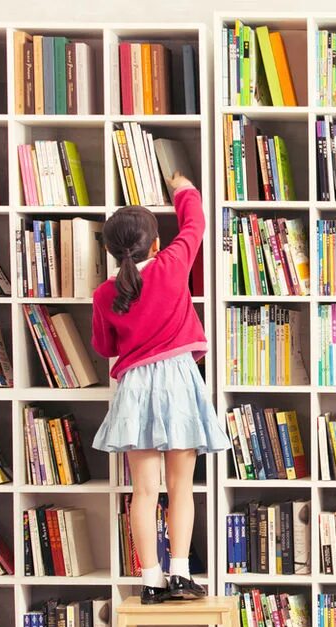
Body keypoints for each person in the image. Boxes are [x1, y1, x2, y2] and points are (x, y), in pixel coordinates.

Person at [90, 172, 229, 604]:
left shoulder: (104, 293)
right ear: (154, 244)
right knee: (180, 487)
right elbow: (195, 224)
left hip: (135, 390)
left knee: (144, 492)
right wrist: (184, 188)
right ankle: (181, 574)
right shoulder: (171, 265)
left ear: (112, 252)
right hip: (178, 382)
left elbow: (103, 346)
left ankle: (151, 580)